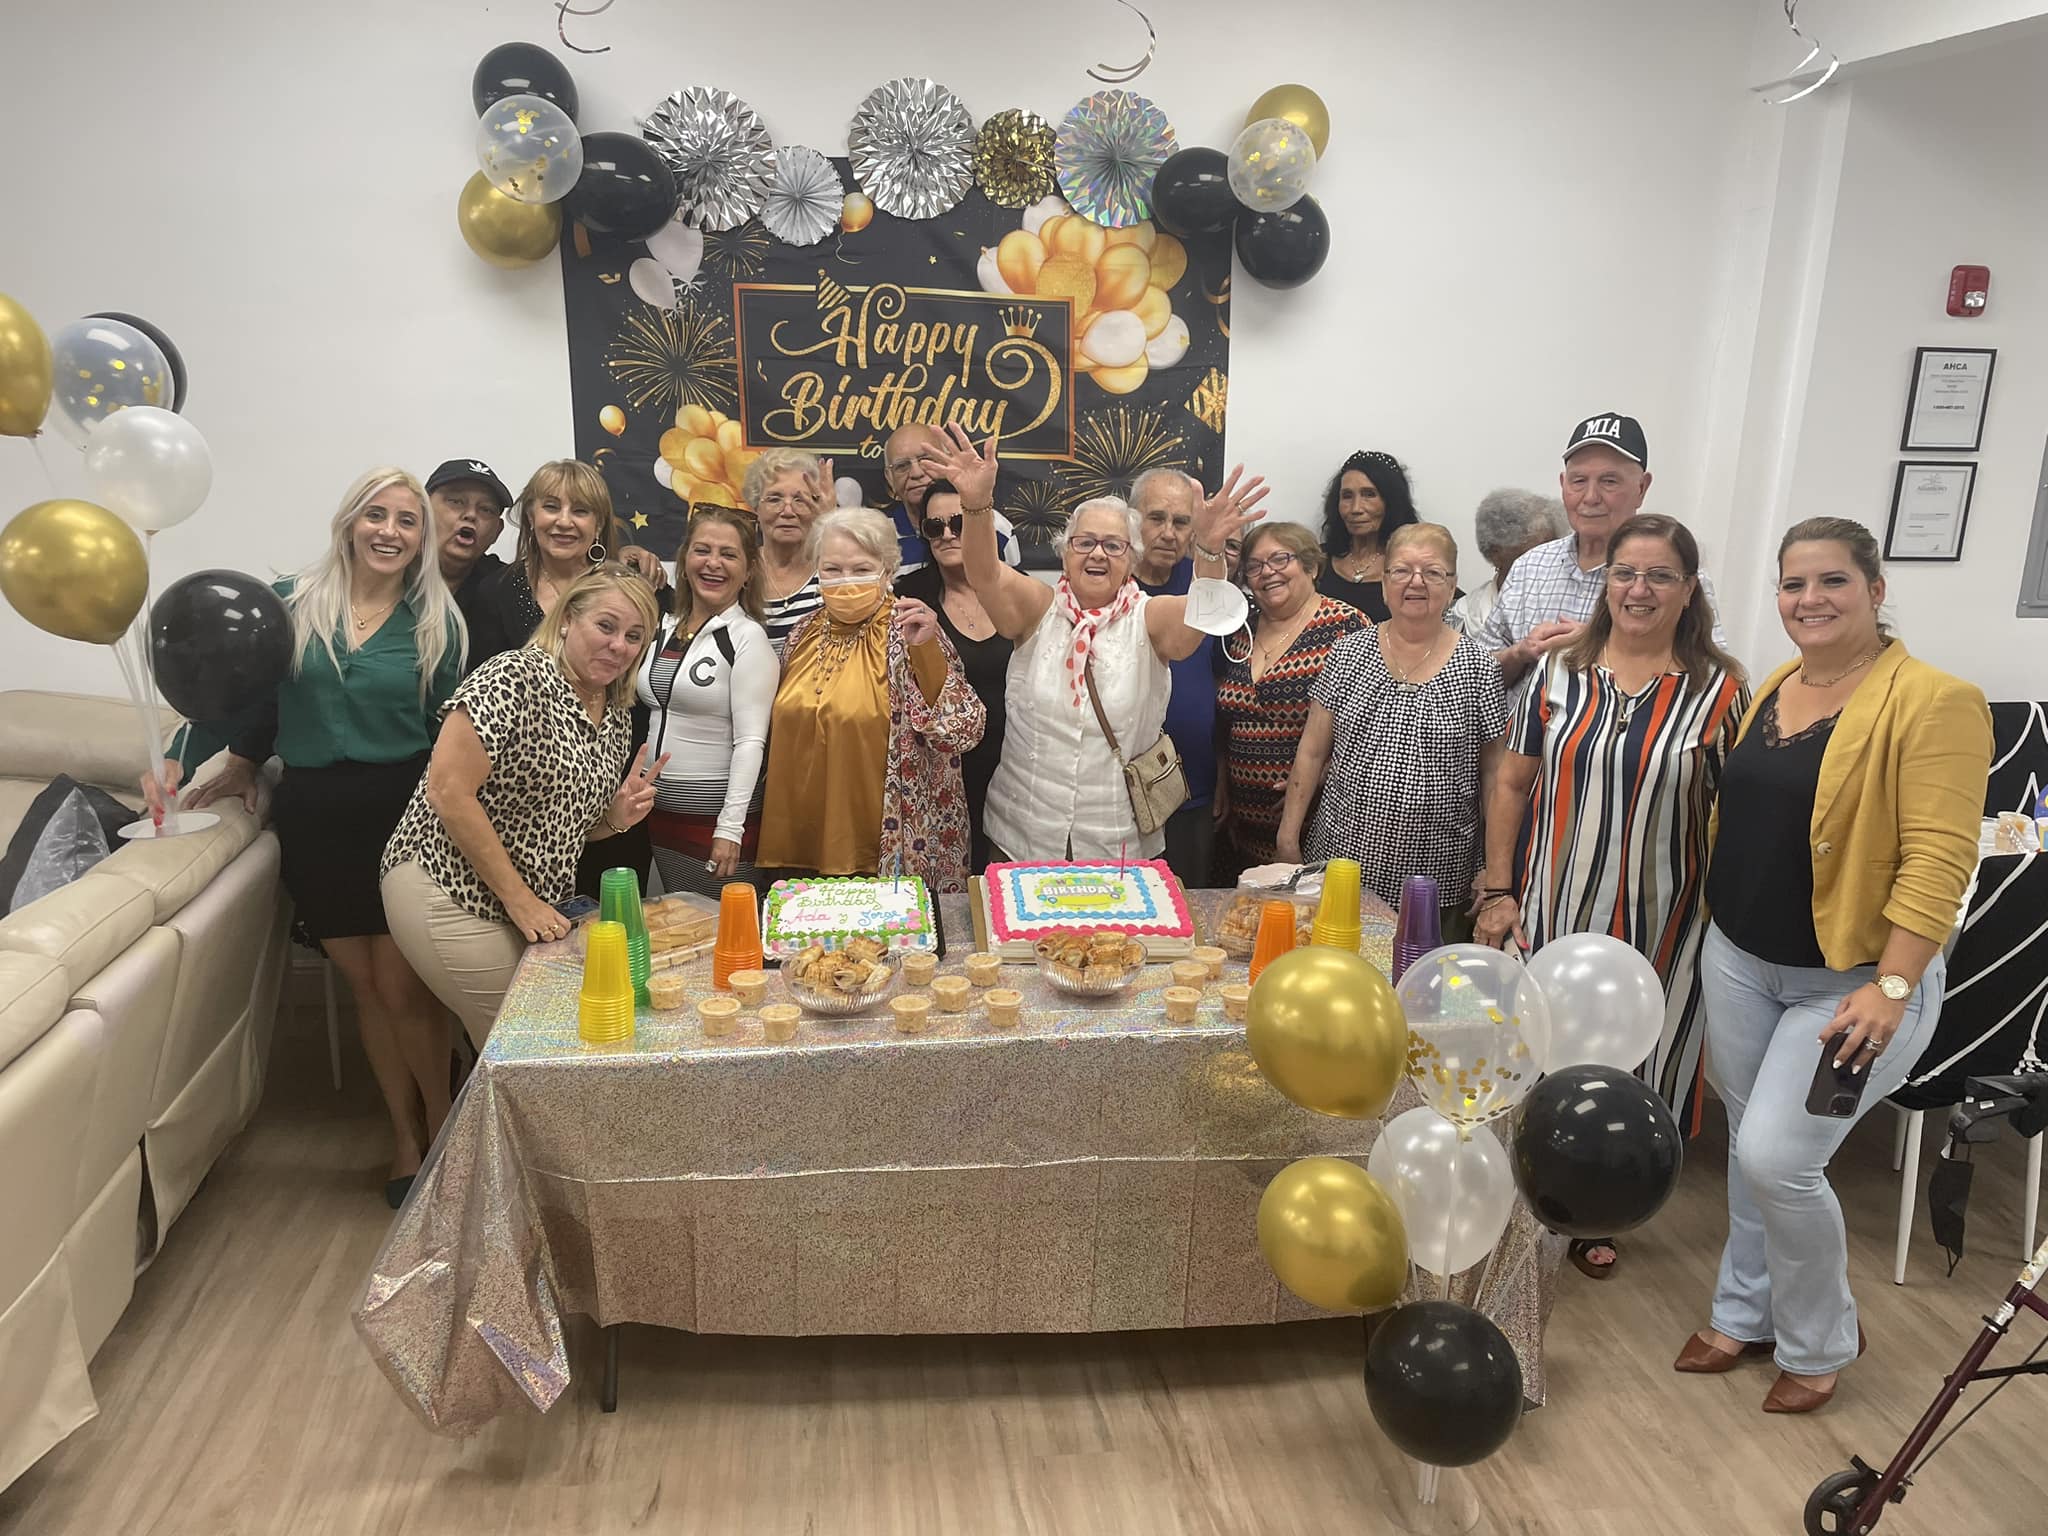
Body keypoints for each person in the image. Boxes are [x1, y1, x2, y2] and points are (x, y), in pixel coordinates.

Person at [1677, 517, 1990, 1414]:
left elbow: (1940, 857)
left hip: (1852, 983)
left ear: (1876, 590)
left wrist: (1892, 985)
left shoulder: (1935, 699)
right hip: (1742, 959)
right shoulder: (1778, 683)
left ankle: (1819, 1341)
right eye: (1793, 586)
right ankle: (1742, 1312)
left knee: (1780, 1157)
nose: (1809, 600)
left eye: (1833, 582)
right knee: (1748, 1146)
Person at [151, 467, 466, 1207]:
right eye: (376, 515)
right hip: (317, 814)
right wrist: (188, 760)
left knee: (405, 985)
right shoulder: (292, 606)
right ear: (350, 523)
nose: (389, 531)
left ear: (422, 538)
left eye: (406, 520)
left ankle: (452, 1134)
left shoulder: (437, 623)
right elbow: (241, 702)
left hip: (402, 815)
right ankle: (404, 1139)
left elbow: (446, 736)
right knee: (363, 984)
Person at [1476, 513, 1747, 1279]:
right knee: (1536, 1054)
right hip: (1553, 910)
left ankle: (1598, 1210)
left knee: (1633, 1070)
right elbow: (1513, 781)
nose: (1639, 589)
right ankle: (1524, 1198)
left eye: (1661, 575)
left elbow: (1738, 816)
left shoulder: (1720, 694)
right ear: (1607, 582)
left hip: (1663, 927)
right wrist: (1499, 888)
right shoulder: (1560, 672)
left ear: (1688, 590)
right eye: (1626, 573)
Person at [924, 427, 1267, 864]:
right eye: (1083, 543)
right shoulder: (1038, 608)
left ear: (1132, 560)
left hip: (1116, 844)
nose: (1097, 554)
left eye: (1113, 545)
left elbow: (1201, 613)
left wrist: (1209, 548)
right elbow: (984, 573)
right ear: (1064, 553)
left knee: (1108, 937)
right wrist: (974, 505)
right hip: (1021, 835)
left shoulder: (1149, 617)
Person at [381, 566, 667, 1047]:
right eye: (606, 626)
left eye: (634, 636)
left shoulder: (613, 712)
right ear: (567, 619)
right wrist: (521, 901)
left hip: (530, 908)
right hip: (450, 888)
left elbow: (563, 827)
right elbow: (448, 792)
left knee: (546, 1041)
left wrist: (614, 819)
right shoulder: (514, 675)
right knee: (526, 1044)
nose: (619, 645)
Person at [1274, 524, 1508, 938]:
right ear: (1384, 582)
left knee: (1418, 990)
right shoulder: (1348, 652)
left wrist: (1493, 867)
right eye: (1401, 570)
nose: (1415, 582)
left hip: (1438, 873)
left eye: (1433, 572)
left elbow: (1494, 777)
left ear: (1452, 584)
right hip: (1341, 862)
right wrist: (1288, 836)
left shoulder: (1480, 667)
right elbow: (1311, 753)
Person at [755, 508, 986, 891]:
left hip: (887, 853)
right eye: (832, 569)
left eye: (861, 568)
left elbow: (961, 730)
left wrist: (925, 649)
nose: (846, 581)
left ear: (888, 569)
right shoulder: (801, 633)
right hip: (800, 845)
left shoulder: (911, 628)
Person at [1477, 414, 1725, 697]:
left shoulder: (1673, 578)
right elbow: (1478, 676)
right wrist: (1520, 653)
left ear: (1642, 487)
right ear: (1562, 484)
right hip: (1519, 740)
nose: (1591, 496)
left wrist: (1604, 643)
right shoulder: (1529, 567)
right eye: (1578, 481)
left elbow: (1709, 682)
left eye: (1609, 481)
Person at [638, 506, 779, 898]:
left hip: (717, 822)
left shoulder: (747, 637)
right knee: (685, 932)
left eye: (729, 554)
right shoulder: (660, 627)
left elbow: (752, 741)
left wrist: (730, 828)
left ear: (749, 570)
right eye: (702, 550)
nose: (713, 563)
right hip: (660, 818)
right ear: (683, 560)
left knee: (730, 938)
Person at [1218, 521, 1367, 865]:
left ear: (1311, 567)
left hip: (1314, 822)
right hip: (1240, 827)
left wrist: (1315, 777)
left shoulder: (1346, 625)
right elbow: (1224, 724)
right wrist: (1223, 783)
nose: (1267, 572)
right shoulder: (1240, 630)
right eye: (1254, 566)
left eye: (1280, 559)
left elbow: (1372, 728)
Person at [893, 479, 1011, 871]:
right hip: (937, 778)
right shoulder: (907, 598)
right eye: (934, 527)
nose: (946, 535)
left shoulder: (1020, 593)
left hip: (1013, 771)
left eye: (958, 524)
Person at [458, 459, 668, 665]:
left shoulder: (632, 581)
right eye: (551, 507)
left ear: (598, 524)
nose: (565, 522)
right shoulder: (496, 591)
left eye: (580, 511)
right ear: (531, 517)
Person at [1132, 466, 1224, 887]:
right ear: (1133, 518)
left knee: (1189, 917)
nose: (1168, 532)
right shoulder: (1105, 583)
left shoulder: (1208, 585)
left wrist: (1223, 773)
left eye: (1181, 521)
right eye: (1156, 518)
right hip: (1124, 800)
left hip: (1194, 789)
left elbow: (1223, 687)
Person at [879, 421, 1021, 576]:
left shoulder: (995, 527)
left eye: (926, 460)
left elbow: (1013, 594)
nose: (916, 473)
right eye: (902, 466)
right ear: (889, 478)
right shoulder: (876, 536)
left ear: (947, 462)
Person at [1314, 450, 1420, 622]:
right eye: (1347, 496)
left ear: (1391, 501)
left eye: (1369, 495)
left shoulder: (1415, 567)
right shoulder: (1317, 561)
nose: (1355, 508)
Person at [1448, 488, 1566, 637]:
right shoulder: (1462, 615)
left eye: (1553, 551)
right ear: (1495, 553)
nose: (1545, 561)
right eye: (1532, 553)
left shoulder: (1570, 607)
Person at [751, 447, 835, 652]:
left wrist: (831, 522)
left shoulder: (835, 571)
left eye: (801, 500)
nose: (787, 511)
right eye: (774, 499)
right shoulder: (739, 570)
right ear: (755, 507)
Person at [428, 458, 513, 600]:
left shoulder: (505, 587)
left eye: (486, 509)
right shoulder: (391, 569)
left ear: (497, 531)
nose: (471, 515)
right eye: (456, 501)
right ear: (423, 509)